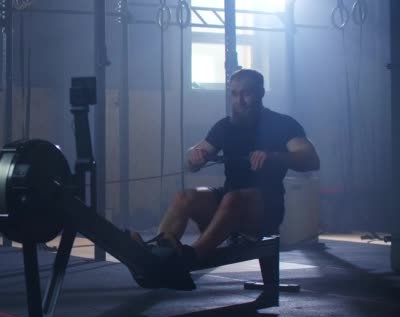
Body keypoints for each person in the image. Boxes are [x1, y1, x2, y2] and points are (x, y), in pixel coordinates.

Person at [132, 68, 320, 267]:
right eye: (234, 94)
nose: (239, 101)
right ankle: (160, 252)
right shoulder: (225, 127)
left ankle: (190, 258)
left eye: (246, 93)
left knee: (232, 199)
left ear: (261, 93)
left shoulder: (283, 124)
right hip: (228, 200)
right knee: (184, 197)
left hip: (266, 205)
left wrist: (274, 156)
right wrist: (195, 157)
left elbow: (311, 160)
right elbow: (193, 160)